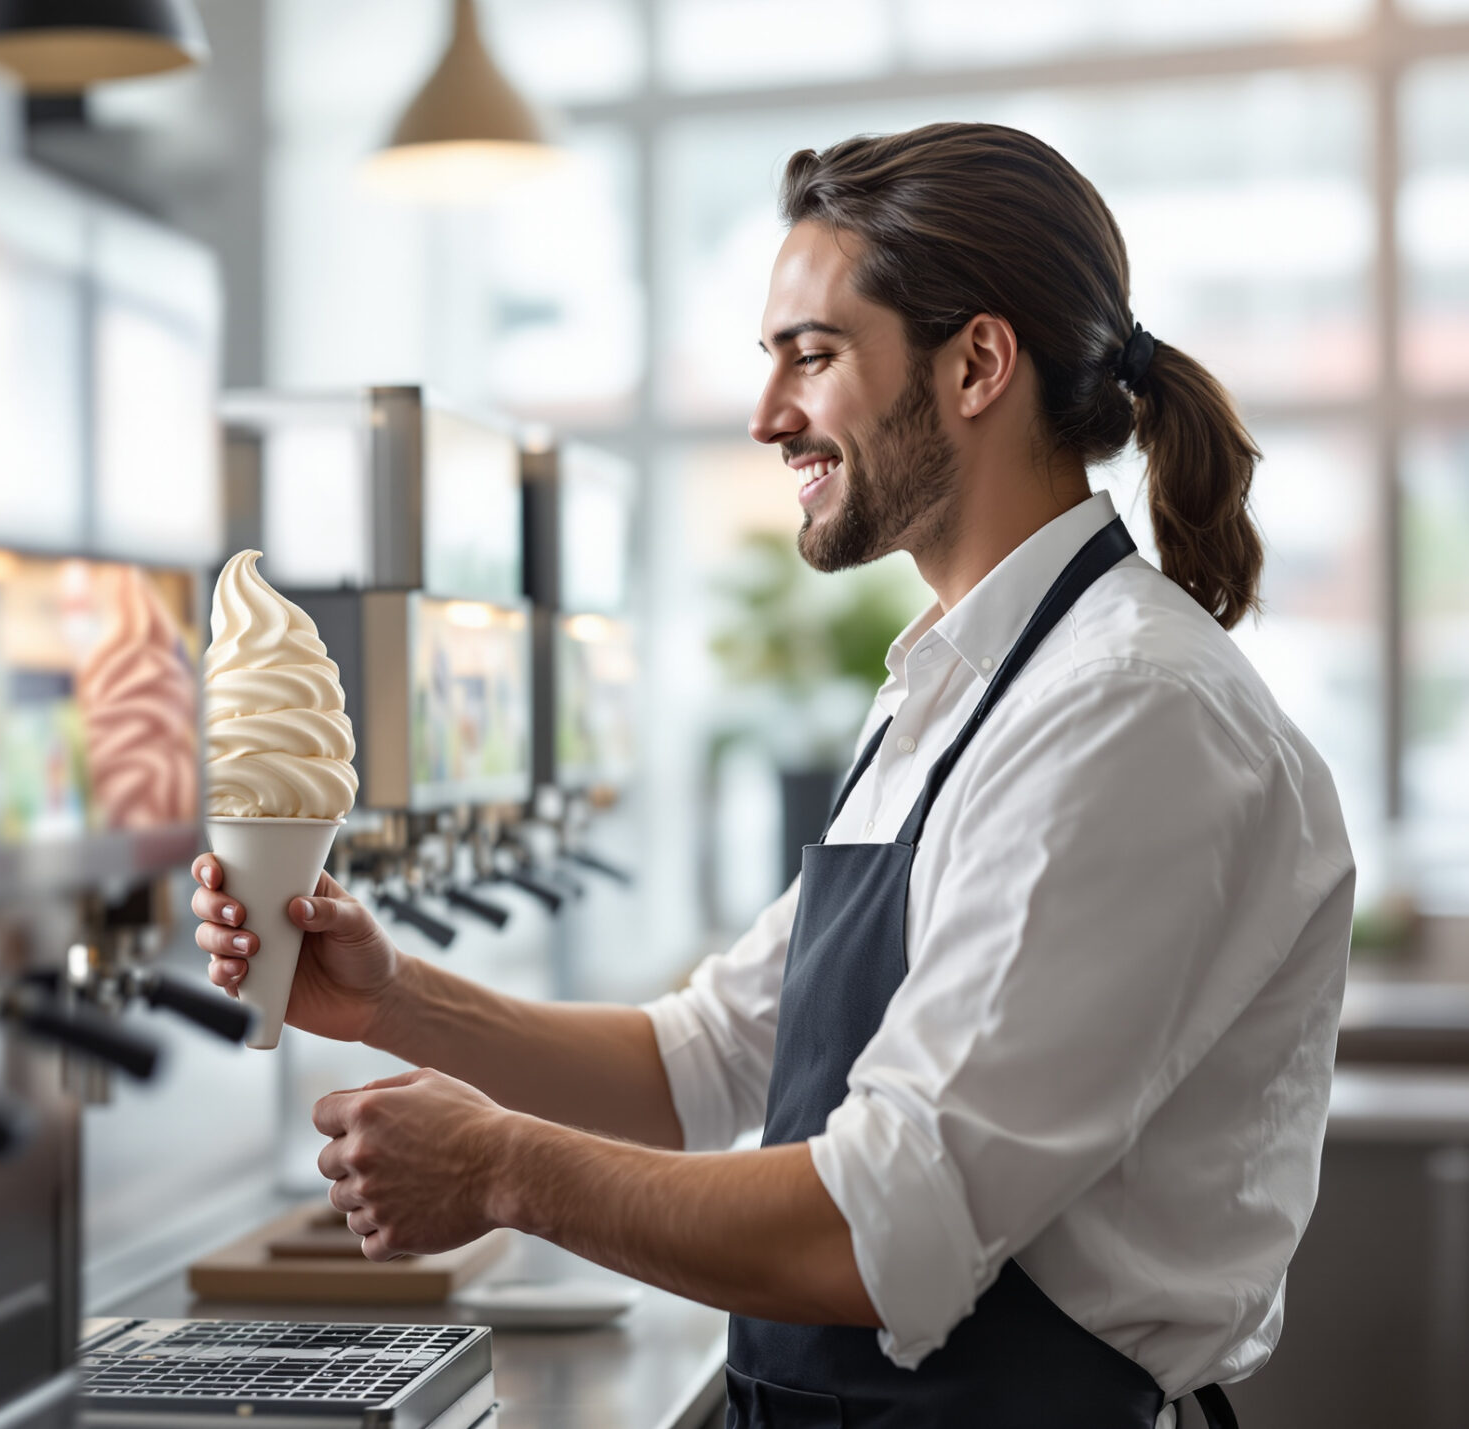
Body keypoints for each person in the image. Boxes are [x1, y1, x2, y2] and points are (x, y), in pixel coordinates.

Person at [192, 122, 1352, 1429]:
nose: (767, 416)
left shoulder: (1130, 714)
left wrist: (503, 1168)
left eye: (814, 354)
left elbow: (881, 1224)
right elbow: (698, 1061)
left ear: (976, 362)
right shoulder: (953, 684)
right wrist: (398, 997)